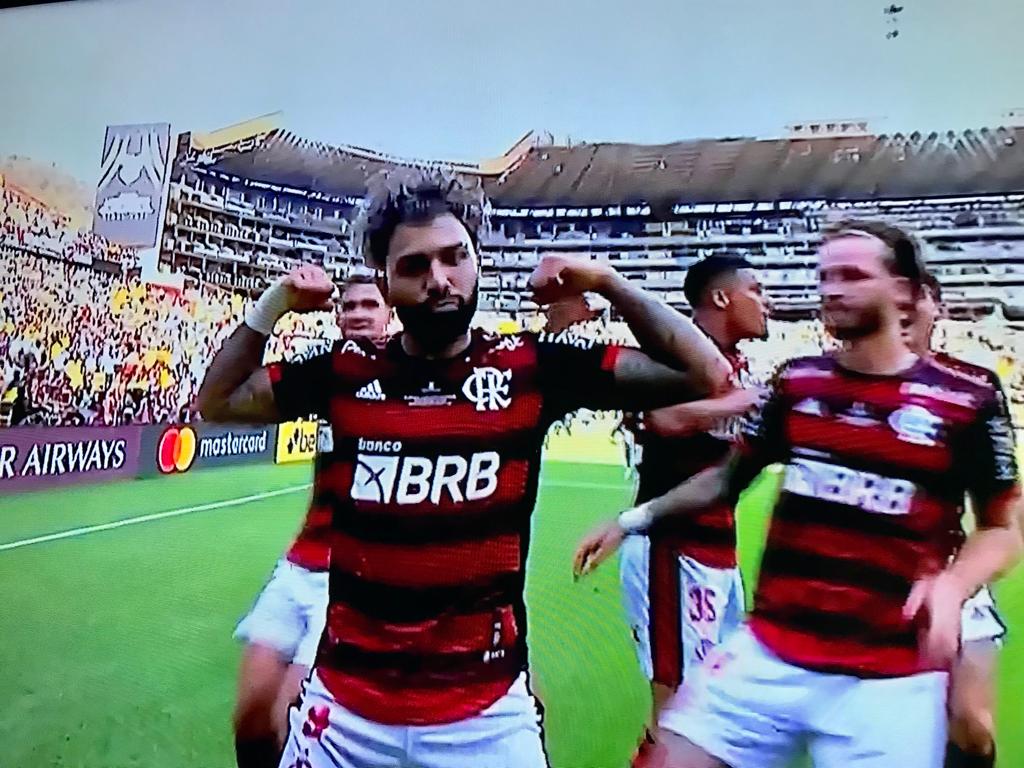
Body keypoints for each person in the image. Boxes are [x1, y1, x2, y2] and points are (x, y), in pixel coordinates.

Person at [195, 170, 731, 768]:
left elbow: (705, 375)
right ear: (384, 281)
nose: (439, 281)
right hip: (344, 716)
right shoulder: (344, 371)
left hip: (485, 721)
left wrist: (607, 281)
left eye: (455, 258)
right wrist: (275, 304)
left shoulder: (533, 367)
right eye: (415, 266)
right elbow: (217, 401)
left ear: (479, 263)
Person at [575, 220, 1023, 768]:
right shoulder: (797, 382)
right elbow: (724, 479)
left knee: (972, 730)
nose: (833, 289)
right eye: (826, 276)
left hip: (886, 675)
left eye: (853, 275)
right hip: (772, 650)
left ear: (903, 290)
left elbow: (1003, 526)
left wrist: (954, 584)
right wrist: (632, 519)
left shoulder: (968, 398)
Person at [604, 255, 768, 763]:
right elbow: (663, 417)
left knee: (716, 708)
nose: (768, 303)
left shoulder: (738, 365)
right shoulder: (675, 359)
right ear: (722, 298)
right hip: (670, 553)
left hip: (720, 552)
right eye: (756, 291)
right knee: (676, 709)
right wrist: (744, 401)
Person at [231, 275, 391, 768]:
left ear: (391, 315)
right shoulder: (325, 376)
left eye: (371, 304)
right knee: (252, 719)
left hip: (350, 582)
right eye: (348, 306)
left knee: (291, 721)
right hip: (298, 567)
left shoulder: (409, 377)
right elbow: (224, 397)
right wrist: (275, 303)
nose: (358, 313)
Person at [902, 271, 1008, 768]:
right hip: (868, 583)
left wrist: (965, 578)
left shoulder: (971, 388)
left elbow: (1002, 509)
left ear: (937, 309)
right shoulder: (837, 387)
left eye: (917, 298)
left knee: (972, 725)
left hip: (949, 574)